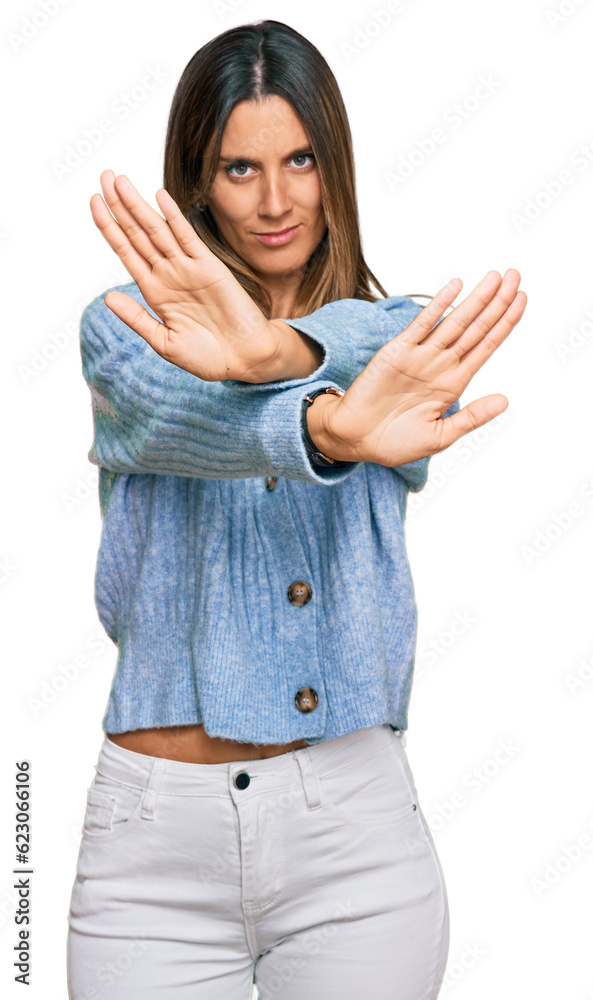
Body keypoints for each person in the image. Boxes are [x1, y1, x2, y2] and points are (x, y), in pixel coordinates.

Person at [66, 19, 527, 1000]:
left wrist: (273, 355)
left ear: (335, 166)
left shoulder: (397, 342)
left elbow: (384, 337)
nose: (276, 201)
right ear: (198, 179)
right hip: (153, 851)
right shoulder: (122, 332)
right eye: (240, 169)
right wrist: (323, 427)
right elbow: (181, 416)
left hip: (353, 843)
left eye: (300, 160)